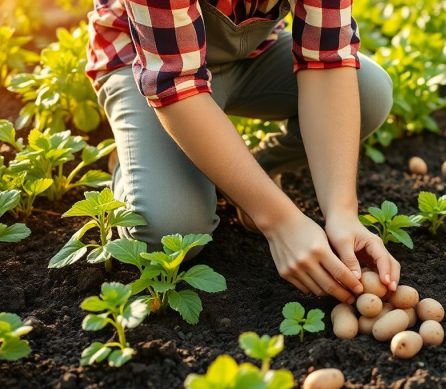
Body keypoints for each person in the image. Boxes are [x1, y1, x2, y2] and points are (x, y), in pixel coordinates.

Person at [85, 0, 401, 305]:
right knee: (168, 232)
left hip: (247, 58)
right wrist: (281, 223)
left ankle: (244, 174)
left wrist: (342, 213)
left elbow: (328, 58)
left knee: (367, 94)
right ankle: (137, 160)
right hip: (147, 66)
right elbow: (175, 82)